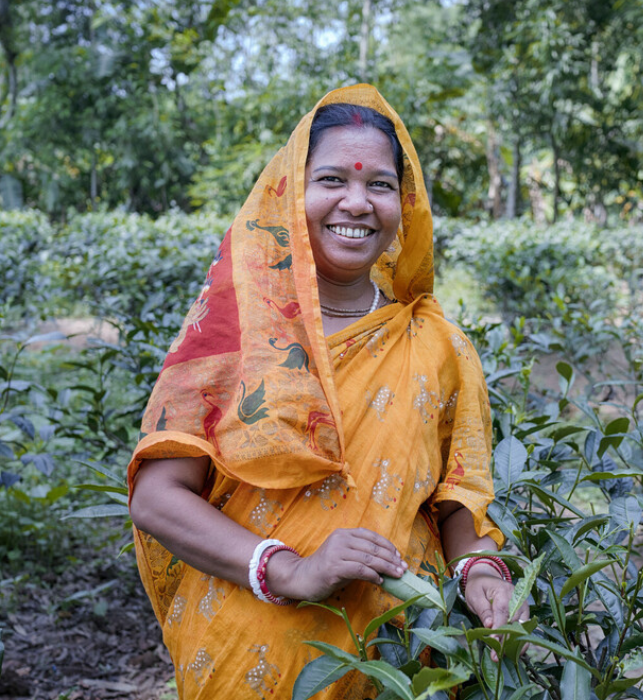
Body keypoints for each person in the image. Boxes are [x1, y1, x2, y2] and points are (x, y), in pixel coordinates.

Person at [127, 84, 529, 700]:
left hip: (402, 656)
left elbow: (455, 503)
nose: (357, 202)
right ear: (292, 193)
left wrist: (481, 571)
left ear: (405, 202)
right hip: (248, 651)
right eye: (332, 180)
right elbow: (157, 497)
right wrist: (291, 569)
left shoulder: (438, 344)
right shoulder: (238, 329)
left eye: (380, 185)